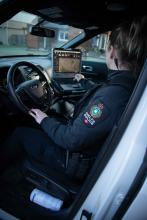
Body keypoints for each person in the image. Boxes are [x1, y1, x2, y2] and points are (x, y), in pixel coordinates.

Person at [1, 16, 147, 181]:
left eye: (107, 48)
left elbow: (70, 139)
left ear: (112, 50)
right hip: (86, 149)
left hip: (72, 161)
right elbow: (103, 92)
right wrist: (83, 81)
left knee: (21, 133)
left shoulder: (111, 97)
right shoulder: (126, 84)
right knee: (41, 120)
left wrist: (44, 120)